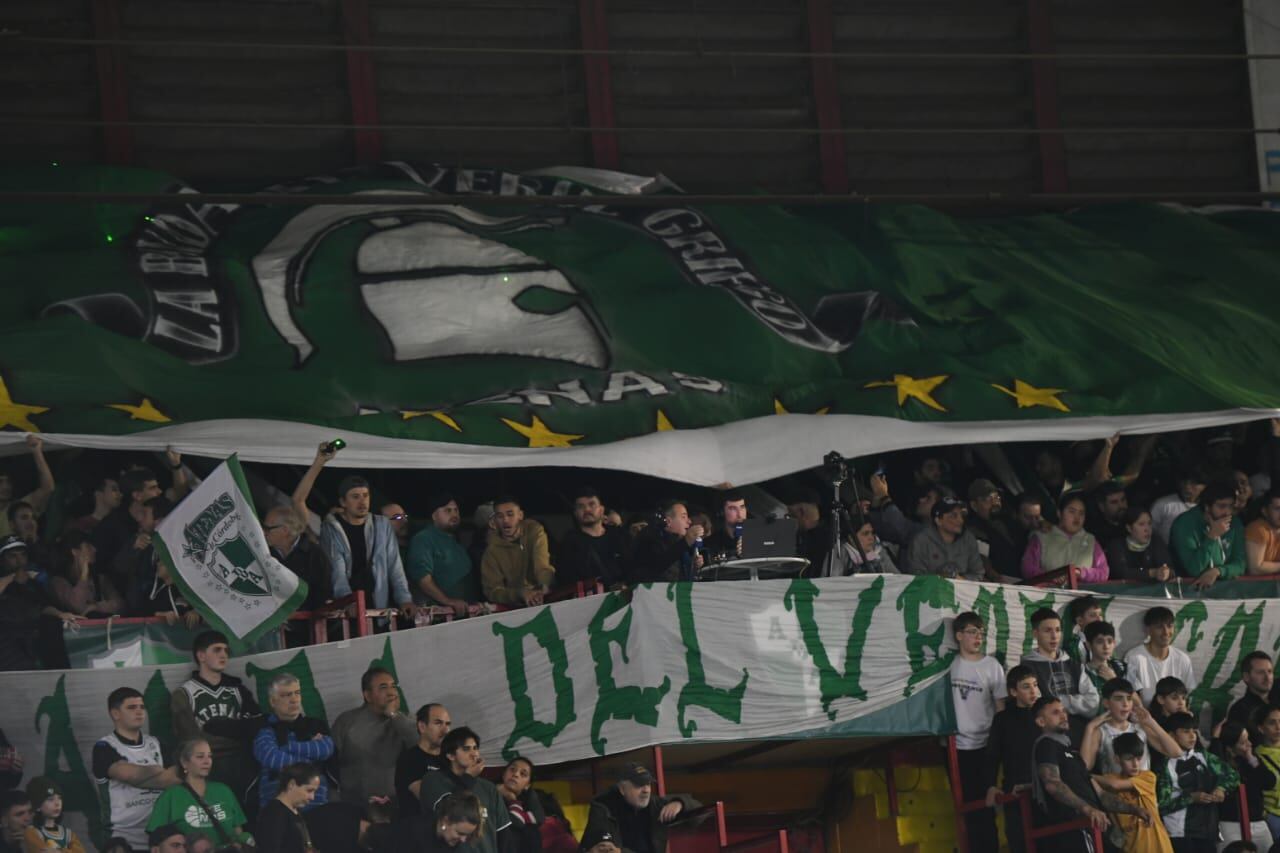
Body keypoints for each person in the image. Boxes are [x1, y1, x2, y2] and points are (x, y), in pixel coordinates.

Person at [1031, 696, 1151, 853]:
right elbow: (1052, 784)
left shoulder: (1072, 752)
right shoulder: (1046, 744)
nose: (1063, 715)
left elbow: (1100, 794)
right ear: (1041, 722)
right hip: (1074, 829)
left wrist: (1134, 809)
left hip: (1094, 827)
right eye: (1055, 712)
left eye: (1064, 711)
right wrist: (1087, 809)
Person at [171, 631, 261, 805]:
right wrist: (235, 734)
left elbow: (255, 727)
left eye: (226, 651)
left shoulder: (238, 690)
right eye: (217, 650)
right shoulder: (184, 694)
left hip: (242, 765)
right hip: (208, 769)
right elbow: (190, 739)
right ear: (201, 655)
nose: (224, 655)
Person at [315, 467, 416, 620]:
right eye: (355, 497)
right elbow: (337, 572)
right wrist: (348, 601)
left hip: (378, 603)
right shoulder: (331, 529)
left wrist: (405, 599)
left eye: (365, 495)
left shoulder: (381, 524)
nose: (362, 502)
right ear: (343, 502)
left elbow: (395, 567)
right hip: (345, 611)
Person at [93, 687, 180, 850]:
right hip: (122, 839)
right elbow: (128, 775)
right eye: (132, 708)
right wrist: (157, 771)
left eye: (142, 707)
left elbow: (176, 778)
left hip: (160, 837)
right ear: (115, 713)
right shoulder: (104, 747)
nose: (139, 712)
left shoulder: (157, 743)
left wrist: (143, 776)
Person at [948, 612, 1004, 853]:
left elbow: (1001, 709)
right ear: (959, 635)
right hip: (955, 746)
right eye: (972, 631)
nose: (977, 636)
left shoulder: (992, 665)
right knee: (965, 807)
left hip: (985, 745)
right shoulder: (949, 666)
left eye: (980, 632)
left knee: (986, 805)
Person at [331, 667, 417, 807]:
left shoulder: (405, 720)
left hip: (396, 806)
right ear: (368, 695)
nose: (391, 692)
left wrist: (394, 715)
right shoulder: (346, 721)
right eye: (383, 687)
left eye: (394, 686)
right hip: (355, 807)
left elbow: (420, 744)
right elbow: (330, 766)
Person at [146, 738, 253, 848]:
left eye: (209, 756)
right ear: (184, 762)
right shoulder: (171, 796)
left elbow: (238, 831)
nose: (207, 761)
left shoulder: (224, 790)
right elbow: (156, 839)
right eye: (200, 756)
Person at [417, 727, 511, 853]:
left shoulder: (488, 787)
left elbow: (503, 833)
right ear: (450, 755)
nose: (474, 754)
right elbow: (450, 811)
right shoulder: (433, 780)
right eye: (466, 749)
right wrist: (468, 778)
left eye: (475, 748)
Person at [1156, 712, 1240, 853]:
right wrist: (1191, 798)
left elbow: (1233, 775)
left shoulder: (1204, 756)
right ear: (1171, 735)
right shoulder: (1164, 765)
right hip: (1180, 834)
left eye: (1194, 731)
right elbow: (1161, 805)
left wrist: (1221, 788)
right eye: (1186, 731)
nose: (1192, 736)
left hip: (1208, 831)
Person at [252, 672, 335, 811]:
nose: (294, 699)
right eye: (287, 695)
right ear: (273, 701)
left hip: (317, 805)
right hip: (280, 810)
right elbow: (271, 757)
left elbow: (326, 749)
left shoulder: (314, 725)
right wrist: (310, 759)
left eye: (297, 693)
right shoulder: (265, 731)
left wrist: (286, 748)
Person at [583, 762, 700, 853]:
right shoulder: (603, 808)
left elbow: (701, 814)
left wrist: (680, 803)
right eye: (639, 785)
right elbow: (605, 849)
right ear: (622, 789)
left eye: (648, 784)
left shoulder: (655, 804)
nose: (646, 790)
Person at [0, 536, 78, 671]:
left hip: (31, 638)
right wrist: (11, 578)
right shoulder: (5, 581)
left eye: (22, 555)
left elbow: (43, 606)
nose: (19, 560)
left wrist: (61, 614)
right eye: (12, 556)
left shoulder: (32, 583)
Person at [985, 666, 1041, 853]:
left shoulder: (1047, 714)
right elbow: (993, 755)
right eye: (1026, 686)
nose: (1033, 691)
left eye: (1035, 685)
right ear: (1013, 692)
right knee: (1020, 842)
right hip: (1016, 791)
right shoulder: (1003, 720)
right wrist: (992, 785)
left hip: (1045, 789)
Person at [1081, 679, 1182, 775]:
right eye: (1119, 698)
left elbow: (1176, 752)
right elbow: (1084, 767)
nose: (1125, 704)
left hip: (1144, 790)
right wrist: (1089, 728)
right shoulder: (1100, 732)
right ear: (1106, 703)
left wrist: (1151, 723)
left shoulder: (1140, 728)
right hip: (1115, 791)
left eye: (1129, 699)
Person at [1093, 731, 1171, 853]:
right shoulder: (1108, 779)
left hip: (1159, 847)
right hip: (1130, 848)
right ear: (1117, 759)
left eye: (1139, 759)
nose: (1135, 764)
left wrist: (1086, 775)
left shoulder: (1148, 777)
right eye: (1129, 759)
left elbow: (1115, 785)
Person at [407, 494, 479, 616]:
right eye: (448, 510)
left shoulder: (456, 543)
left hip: (465, 616)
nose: (454, 514)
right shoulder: (424, 539)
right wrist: (448, 601)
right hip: (440, 618)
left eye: (456, 510)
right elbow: (423, 578)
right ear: (434, 516)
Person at [1021, 608, 1098, 723]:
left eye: (1057, 630)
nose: (1054, 636)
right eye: (1048, 630)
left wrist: (1057, 701)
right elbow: (1036, 705)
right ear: (1035, 633)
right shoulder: (1027, 667)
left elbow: (1093, 704)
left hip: (1079, 734)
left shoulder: (1074, 665)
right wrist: (1077, 702)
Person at [481, 496, 556, 606]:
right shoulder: (491, 552)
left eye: (510, 514)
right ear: (495, 520)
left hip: (545, 597)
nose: (505, 520)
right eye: (500, 516)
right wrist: (520, 594)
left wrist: (544, 586)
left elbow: (542, 565)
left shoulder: (535, 532)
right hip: (515, 608)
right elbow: (492, 591)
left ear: (520, 515)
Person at [1212, 719, 1275, 850]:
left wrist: (1251, 759)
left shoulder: (1251, 762)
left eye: (1248, 740)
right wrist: (1215, 740)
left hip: (1256, 821)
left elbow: (1269, 782)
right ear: (1229, 748)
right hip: (1229, 824)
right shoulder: (1218, 764)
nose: (1249, 745)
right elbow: (1215, 761)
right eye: (1243, 742)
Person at [1169, 481, 1246, 588]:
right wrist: (1212, 537)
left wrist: (1217, 571)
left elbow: (1240, 565)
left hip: (1226, 590)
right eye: (1222, 506)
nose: (1227, 512)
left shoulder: (1234, 523)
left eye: (1231, 506)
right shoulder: (1184, 524)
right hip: (1187, 591)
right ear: (1207, 507)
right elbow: (1194, 570)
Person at [1022, 492, 1110, 583]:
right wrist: (1051, 578)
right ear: (1059, 513)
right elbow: (1028, 569)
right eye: (1072, 511)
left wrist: (1080, 573)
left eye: (1081, 513)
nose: (1077, 517)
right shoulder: (1041, 537)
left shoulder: (1091, 540)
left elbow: (1103, 573)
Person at [556, 488, 631, 590]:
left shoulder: (620, 536)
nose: (587, 509)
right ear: (575, 513)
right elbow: (566, 581)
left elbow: (635, 567)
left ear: (601, 510)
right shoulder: (569, 544)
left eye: (592, 504)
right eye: (581, 506)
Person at [262, 505, 333, 612]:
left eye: (268, 528)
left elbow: (323, 595)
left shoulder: (315, 555)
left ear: (285, 530)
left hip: (307, 622)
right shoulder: (264, 553)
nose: (264, 533)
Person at [1125, 607, 1197, 706]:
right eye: (1159, 627)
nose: (1166, 632)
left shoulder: (1182, 659)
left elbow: (1187, 695)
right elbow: (1129, 696)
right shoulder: (1134, 657)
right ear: (1148, 630)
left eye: (1169, 626)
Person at [903, 496, 985, 580]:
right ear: (938, 520)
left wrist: (962, 580)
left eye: (962, 515)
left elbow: (978, 573)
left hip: (961, 591)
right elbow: (915, 576)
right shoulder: (921, 541)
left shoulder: (968, 539)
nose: (961, 520)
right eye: (953, 516)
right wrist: (941, 579)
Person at [395, 703, 451, 818]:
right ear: (422, 727)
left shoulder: (451, 758)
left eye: (447, 724)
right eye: (438, 723)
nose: (445, 730)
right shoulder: (409, 759)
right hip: (419, 830)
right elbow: (429, 798)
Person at [48, 530, 123, 617]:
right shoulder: (58, 582)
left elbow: (121, 605)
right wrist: (84, 576)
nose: (94, 549)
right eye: (88, 546)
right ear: (75, 551)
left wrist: (97, 607)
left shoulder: (99, 579)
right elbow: (78, 607)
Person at [380, 791, 483, 853]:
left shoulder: (452, 841)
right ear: (446, 821)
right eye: (460, 833)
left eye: (467, 835)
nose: (463, 840)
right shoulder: (412, 833)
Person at [254, 762, 321, 853]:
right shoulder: (274, 814)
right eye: (309, 790)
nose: (312, 797)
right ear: (292, 784)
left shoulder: (294, 811)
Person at [630, 501, 703, 584]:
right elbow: (656, 566)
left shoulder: (679, 543)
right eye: (683, 517)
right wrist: (686, 541)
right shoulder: (651, 537)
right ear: (668, 521)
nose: (689, 521)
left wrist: (693, 565)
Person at [967, 479, 1021, 576]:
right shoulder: (975, 530)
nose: (995, 503)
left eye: (996, 497)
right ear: (974, 505)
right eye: (987, 499)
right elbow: (984, 564)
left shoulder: (1009, 520)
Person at [1107, 507, 1175, 583]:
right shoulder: (1117, 545)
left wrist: (1166, 573)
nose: (1147, 529)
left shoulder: (1156, 541)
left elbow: (1169, 568)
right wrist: (1152, 573)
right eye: (1141, 524)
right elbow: (1121, 572)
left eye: (1149, 523)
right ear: (1129, 528)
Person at [22, 776, 85, 853]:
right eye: (50, 799)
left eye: (59, 798)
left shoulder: (68, 833)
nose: (57, 803)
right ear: (37, 806)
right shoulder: (32, 832)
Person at [499, 757, 544, 853]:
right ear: (503, 774)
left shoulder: (531, 799)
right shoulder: (490, 794)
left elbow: (539, 819)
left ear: (527, 785)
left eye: (523, 774)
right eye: (512, 769)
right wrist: (513, 801)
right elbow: (517, 821)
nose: (515, 774)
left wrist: (513, 800)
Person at [1152, 469, 1208, 544]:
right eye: (1184, 482)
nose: (1187, 487)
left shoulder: (1209, 507)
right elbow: (1150, 531)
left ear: (1204, 486)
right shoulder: (1163, 504)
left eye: (1193, 483)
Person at [1080, 621, 1129, 706]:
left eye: (1110, 641)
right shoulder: (1081, 671)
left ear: (1114, 643)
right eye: (1100, 642)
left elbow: (1137, 702)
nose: (1106, 646)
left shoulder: (1122, 668)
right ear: (1088, 645)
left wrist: (1114, 680)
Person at [1251, 705, 1280, 843]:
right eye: (1272, 722)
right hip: (1273, 817)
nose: (1278, 727)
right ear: (1261, 728)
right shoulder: (1256, 756)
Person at [1227, 652, 1278, 727]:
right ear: (1246, 677)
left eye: (1270, 671)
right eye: (1260, 672)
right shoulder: (1240, 711)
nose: (1268, 678)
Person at [1245, 490, 1280, 575]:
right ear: (1264, 511)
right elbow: (1255, 568)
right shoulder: (1257, 529)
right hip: (1248, 587)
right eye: (1277, 509)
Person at [1088, 481, 1131, 550]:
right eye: (1114, 502)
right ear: (1101, 506)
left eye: (1123, 500)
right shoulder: (1097, 536)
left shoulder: (1134, 521)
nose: (1121, 506)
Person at [1066, 596, 1104, 664]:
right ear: (1080, 620)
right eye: (1093, 615)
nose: (1099, 619)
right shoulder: (1073, 646)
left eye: (1100, 615)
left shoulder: (1107, 641)